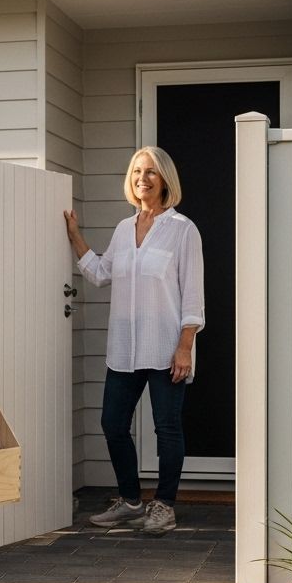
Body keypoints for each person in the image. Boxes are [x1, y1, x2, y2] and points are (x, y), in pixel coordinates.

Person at [63, 146, 204, 535]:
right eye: (137, 171)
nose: (143, 178)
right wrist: (75, 236)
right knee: (112, 423)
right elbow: (101, 273)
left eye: (151, 172)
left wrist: (185, 345)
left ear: (165, 180)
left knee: (167, 428)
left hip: (165, 347)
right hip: (124, 349)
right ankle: (129, 501)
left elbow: (193, 294)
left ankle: (165, 505)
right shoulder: (124, 230)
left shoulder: (182, 230)